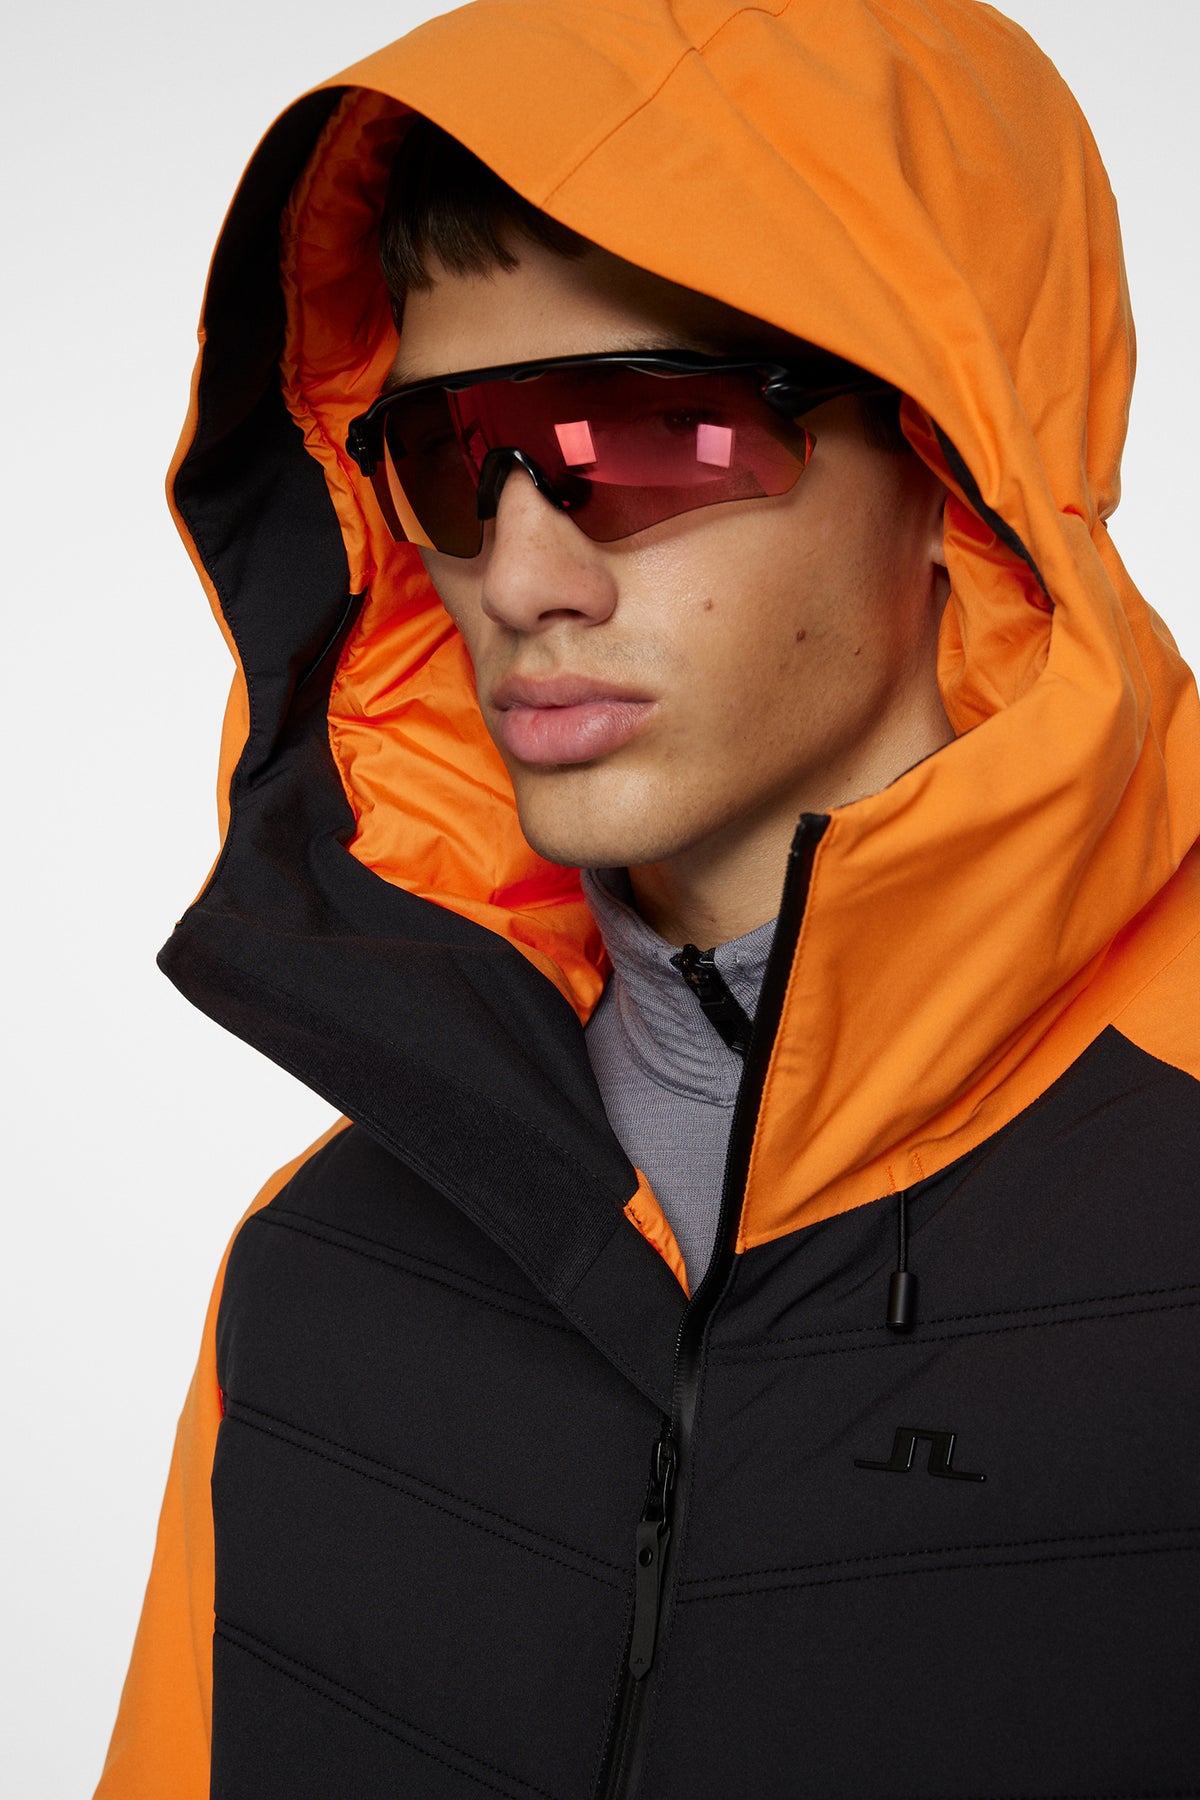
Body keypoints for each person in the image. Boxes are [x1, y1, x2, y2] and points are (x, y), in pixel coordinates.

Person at [96, 1, 1200, 1795]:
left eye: (643, 438)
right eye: (451, 462)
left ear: (950, 461)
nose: (520, 573)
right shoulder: (316, 1269)